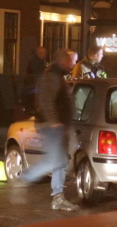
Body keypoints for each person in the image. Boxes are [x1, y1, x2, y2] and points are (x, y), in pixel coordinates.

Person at [15, 48, 79, 211]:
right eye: (73, 60)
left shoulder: (57, 75)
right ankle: (24, 179)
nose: (74, 64)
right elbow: (45, 101)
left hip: (57, 125)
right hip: (51, 126)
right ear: (65, 60)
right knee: (55, 161)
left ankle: (58, 197)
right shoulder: (52, 76)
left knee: (61, 161)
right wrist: (54, 121)